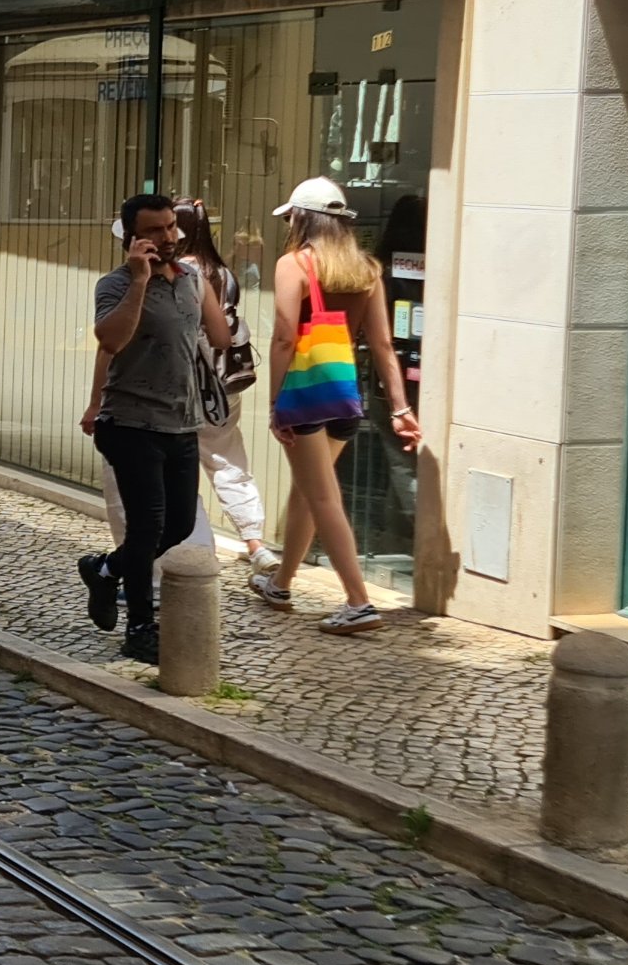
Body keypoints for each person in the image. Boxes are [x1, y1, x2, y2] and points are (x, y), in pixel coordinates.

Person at [77, 192, 233, 666]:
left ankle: (105, 570)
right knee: (147, 526)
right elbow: (111, 340)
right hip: (130, 422)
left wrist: (215, 292)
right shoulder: (115, 285)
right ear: (132, 237)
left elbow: (220, 337)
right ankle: (140, 627)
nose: (167, 237)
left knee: (180, 522)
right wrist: (141, 282)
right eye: (155, 230)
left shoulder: (191, 280)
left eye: (171, 227)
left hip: (182, 422)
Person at [262, 178, 420, 635]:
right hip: (344, 396)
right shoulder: (367, 269)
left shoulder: (293, 265)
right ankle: (281, 582)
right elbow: (384, 345)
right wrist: (398, 407)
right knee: (309, 491)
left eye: (291, 215)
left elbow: (284, 337)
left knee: (323, 496)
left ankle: (357, 600)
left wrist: (275, 401)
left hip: (304, 394)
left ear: (301, 218)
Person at [176, 201, 277, 574]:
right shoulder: (222, 271)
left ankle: (193, 545)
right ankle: (255, 542)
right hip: (224, 383)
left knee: (179, 467)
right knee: (230, 461)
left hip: (188, 384)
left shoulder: (184, 272)